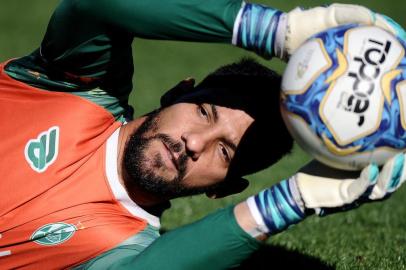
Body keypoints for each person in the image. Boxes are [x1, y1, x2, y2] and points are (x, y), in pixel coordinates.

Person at [1, 0, 405, 269]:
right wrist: (272, 29)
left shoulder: (121, 247)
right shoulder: (76, 87)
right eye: (203, 111)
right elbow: (97, 6)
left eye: (224, 152)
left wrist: (291, 201)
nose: (194, 143)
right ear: (176, 92)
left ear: (225, 189)